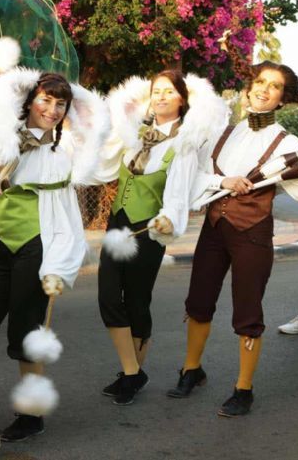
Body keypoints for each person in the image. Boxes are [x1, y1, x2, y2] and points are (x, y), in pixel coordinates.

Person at [0, 68, 108, 442]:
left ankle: (31, 416)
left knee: (26, 331)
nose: (53, 109)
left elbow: (98, 139)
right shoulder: (4, 141)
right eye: (45, 99)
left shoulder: (66, 148)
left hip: (39, 247)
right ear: (28, 101)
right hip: (3, 248)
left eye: (61, 103)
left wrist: (58, 266)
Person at [168, 61, 298, 417]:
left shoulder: (288, 143)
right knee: (198, 302)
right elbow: (195, 175)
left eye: (274, 86)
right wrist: (223, 182)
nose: (264, 89)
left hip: (253, 233)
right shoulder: (222, 133)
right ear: (249, 87)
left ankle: (243, 389)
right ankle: (191, 370)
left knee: (247, 312)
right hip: (214, 228)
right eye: (260, 81)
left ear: (282, 99)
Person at [94, 71, 226, 405]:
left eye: (169, 91)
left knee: (137, 302)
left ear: (182, 99)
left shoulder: (183, 144)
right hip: (118, 224)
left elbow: (179, 191)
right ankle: (132, 372)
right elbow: (101, 164)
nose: (161, 97)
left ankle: (131, 374)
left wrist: (168, 219)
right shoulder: (134, 135)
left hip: (149, 230)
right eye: (156, 91)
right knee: (108, 296)